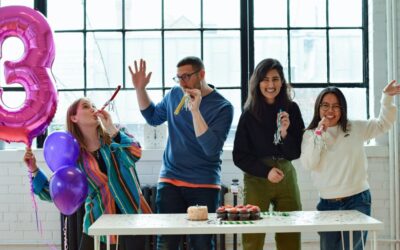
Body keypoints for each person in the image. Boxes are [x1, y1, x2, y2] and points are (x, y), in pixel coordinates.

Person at [129, 56, 234, 250]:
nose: (182, 83)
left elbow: (211, 148)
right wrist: (140, 89)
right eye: (178, 77)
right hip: (171, 180)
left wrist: (195, 111)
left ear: (201, 74)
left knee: (201, 243)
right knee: (166, 242)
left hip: (204, 183)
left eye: (186, 76)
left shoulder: (223, 107)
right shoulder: (174, 95)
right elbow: (152, 117)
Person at [24, 97, 148, 250]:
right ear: (74, 118)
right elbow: (54, 193)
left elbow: (135, 154)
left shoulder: (116, 134)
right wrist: (34, 169)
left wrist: (112, 129)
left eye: (93, 105)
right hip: (98, 223)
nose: (92, 108)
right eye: (86, 106)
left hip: (132, 217)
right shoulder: (73, 156)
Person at [299, 80, 400, 250]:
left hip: (357, 201)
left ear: (342, 109)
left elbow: (383, 124)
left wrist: (387, 98)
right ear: (318, 108)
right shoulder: (310, 135)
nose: (330, 110)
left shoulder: (354, 128)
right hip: (327, 204)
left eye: (336, 106)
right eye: (325, 105)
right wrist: (319, 134)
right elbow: (309, 164)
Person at [233, 58, 304, 250]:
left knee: (290, 232)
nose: (270, 84)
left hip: (286, 175)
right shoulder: (248, 113)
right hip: (257, 178)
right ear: (257, 82)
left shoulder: (292, 109)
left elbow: (296, 152)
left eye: (275, 79)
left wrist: (285, 133)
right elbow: (239, 155)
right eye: (265, 79)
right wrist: (266, 172)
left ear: (282, 81)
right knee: (253, 237)